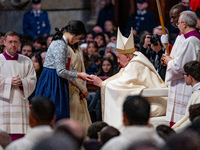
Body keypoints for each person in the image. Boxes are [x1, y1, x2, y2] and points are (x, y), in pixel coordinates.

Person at [90, 28, 167, 130]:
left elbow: (123, 84)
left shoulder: (135, 64)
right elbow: (122, 79)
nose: (117, 61)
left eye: (118, 57)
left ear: (126, 56)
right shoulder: (134, 58)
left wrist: (102, 84)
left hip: (156, 103)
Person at [35, 20, 90, 121]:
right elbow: (60, 71)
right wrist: (79, 74)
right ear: (73, 35)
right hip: (52, 81)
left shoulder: (62, 43)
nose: (77, 41)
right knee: (55, 115)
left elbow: (66, 69)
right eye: (78, 38)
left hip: (58, 81)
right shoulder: (60, 44)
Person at [162, 11, 200, 126]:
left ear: (184, 23)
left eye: (178, 23)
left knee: (180, 122)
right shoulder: (192, 39)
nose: (177, 26)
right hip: (184, 82)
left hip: (184, 84)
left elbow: (180, 68)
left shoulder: (190, 41)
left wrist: (169, 61)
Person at [0, 31, 36, 141]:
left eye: (15, 42)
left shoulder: (26, 61)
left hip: (20, 103)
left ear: (19, 43)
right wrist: (9, 82)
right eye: (10, 42)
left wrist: (22, 82)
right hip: (3, 103)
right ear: (4, 42)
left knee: (20, 137)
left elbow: (33, 80)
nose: (13, 45)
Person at [67, 44, 92, 131]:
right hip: (70, 85)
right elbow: (66, 72)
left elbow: (83, 69)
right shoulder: (65, 48)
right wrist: (82, 88)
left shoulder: (79, 48)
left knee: (82, 113)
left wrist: (83, 88)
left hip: (80, 84)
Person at [171, 61, 200, 131]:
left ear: (190, 77)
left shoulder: (198, 94)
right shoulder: (196, 92)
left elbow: (190, 120)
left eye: (184, 74)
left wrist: (174, 131)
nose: (183, 76)